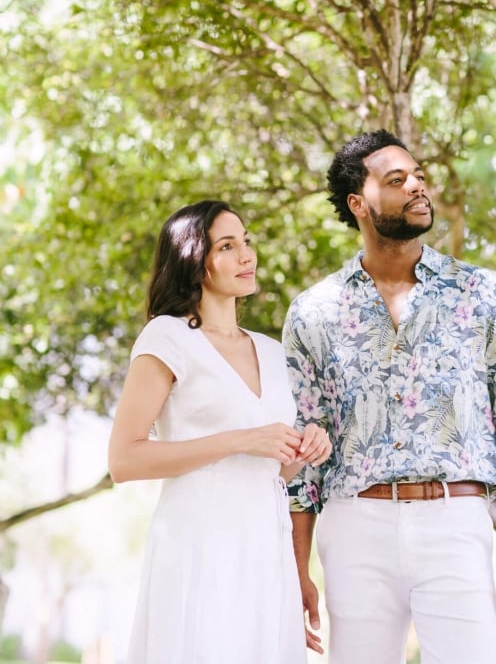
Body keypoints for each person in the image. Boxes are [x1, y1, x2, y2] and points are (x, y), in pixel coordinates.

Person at [283, 130, 496, 664]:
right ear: (359, 203)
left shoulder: (479, 291)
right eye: (396, 180)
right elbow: (304, 456)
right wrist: (295, 570)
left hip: (456, 517)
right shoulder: (313, 312)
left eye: (419, 176)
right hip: (355, 522)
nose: (417, 187)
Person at [108, 200, 332, 664]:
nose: (246, 256)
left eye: (246, 242)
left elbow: (274, 470)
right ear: (195, 259)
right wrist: (241, 440)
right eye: (227, 246)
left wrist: (307, 446)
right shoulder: (167, 338)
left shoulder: (272, 353)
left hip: (265, 551)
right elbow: (124, 460)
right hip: (198, 543)